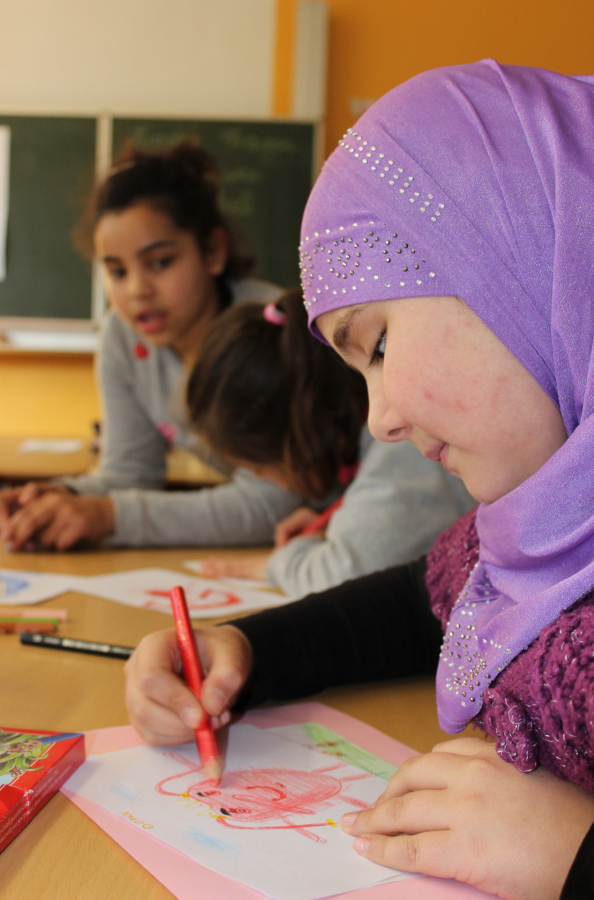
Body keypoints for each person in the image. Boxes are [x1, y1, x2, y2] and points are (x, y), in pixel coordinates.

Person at [124, 61, 594, 899]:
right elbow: (422, 604)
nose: (378, 421)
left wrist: (576, 855)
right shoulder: (533, 520)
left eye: (375, 345)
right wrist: (248, 652)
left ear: (526, 262)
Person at [0, 142, 304, 551]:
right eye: (117, 271)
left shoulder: (269, 331)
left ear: (213, 252)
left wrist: (110, 516)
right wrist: (61, 498)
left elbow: (274, 503)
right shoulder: (123, 339)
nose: (137, 290)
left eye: (160, 262)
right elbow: (129, 474)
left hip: (341, 537)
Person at [185, 288, 474, 597]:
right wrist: (336, 524)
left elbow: (346, 576)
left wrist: (278, 564)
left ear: (300, 439)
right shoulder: (374, 446)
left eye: (258, 468)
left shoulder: (400, 444)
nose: (261, 479)